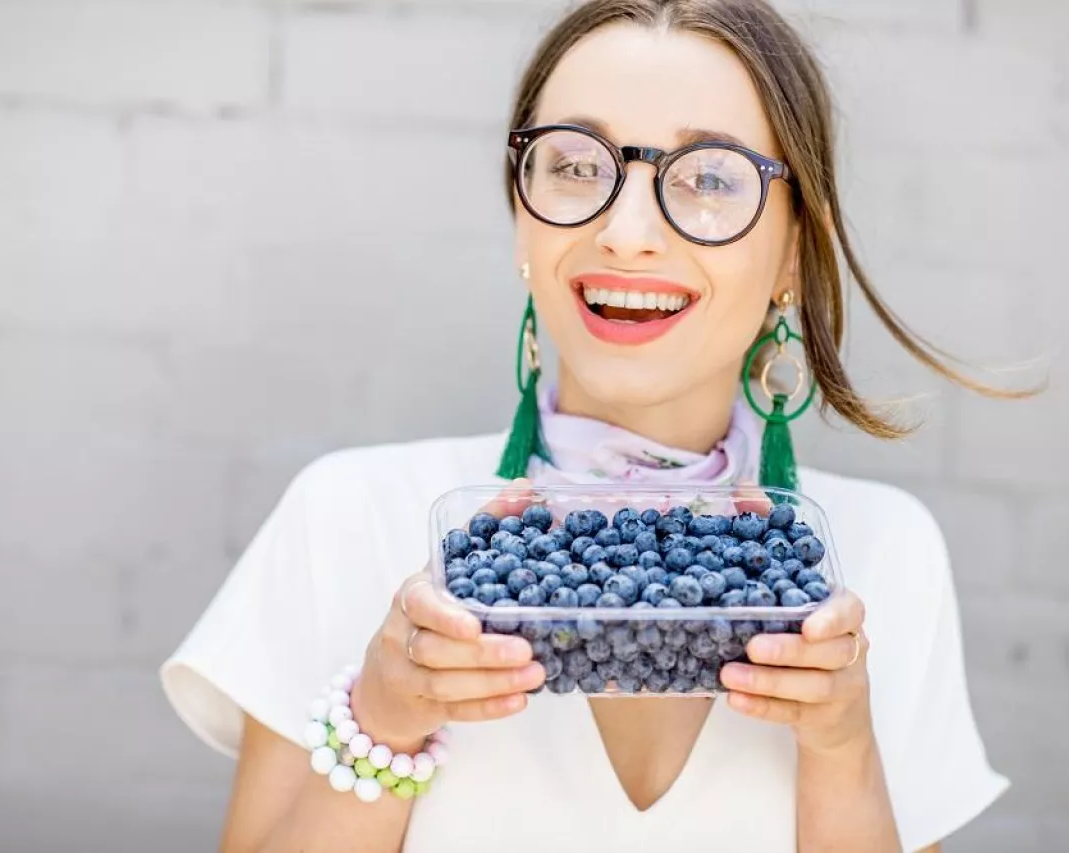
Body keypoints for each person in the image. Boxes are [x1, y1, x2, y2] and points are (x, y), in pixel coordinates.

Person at [160, 2, 1015, 850]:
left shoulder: (882, 556)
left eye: (710, 176)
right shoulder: (348, 514)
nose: (627, 231)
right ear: (521, 219)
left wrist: (841, 745)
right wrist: (383, 718)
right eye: (575, 165)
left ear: (795, 248)